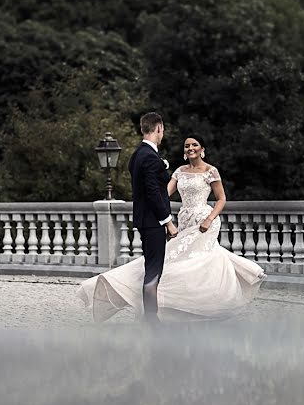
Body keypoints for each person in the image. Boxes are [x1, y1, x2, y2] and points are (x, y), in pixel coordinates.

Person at [76, 132, 266, 323]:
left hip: (204, 222)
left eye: (194, 145)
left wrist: (209, 218)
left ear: (202, 150)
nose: (190, 148)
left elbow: (221, 199)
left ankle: (207, 304)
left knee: (200, 262)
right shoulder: (179, 172)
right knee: (176, 261)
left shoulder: (211, 171)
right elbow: (162, 194)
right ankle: (174, 306)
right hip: (184, 221)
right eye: (187, 146)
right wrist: (161, 216)